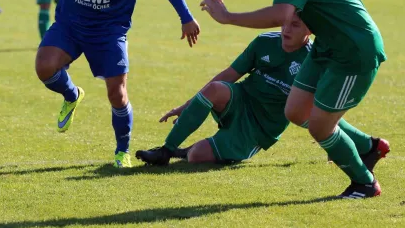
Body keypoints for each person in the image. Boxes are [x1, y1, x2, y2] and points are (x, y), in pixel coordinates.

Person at [199, 0, 389, 199]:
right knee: (296, 110)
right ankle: (368, 147)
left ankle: (365, 184)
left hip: (353, 52)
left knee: (321, 127)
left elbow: (281, 15)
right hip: (328, 45)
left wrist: (228, 18)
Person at [14, 0, 200, 168]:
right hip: (71, 23)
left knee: (117, 94)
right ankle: (71, 95)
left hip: (109, 31)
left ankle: (122, 151)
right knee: (44, 67)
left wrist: (186, 18)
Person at [136, 16, 388, 176]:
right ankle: (166, 152)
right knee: (215, 89)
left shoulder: (315, 61)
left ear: (310, 29)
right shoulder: (264, 42)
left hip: (259, 130)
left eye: (296, 24)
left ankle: (370, 145)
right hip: (240, 100)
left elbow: (320, 111)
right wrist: (188, 105)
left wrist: (334, 139)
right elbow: (229, 74)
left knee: (195, 157)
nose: (286, 29)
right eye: (285, 22)